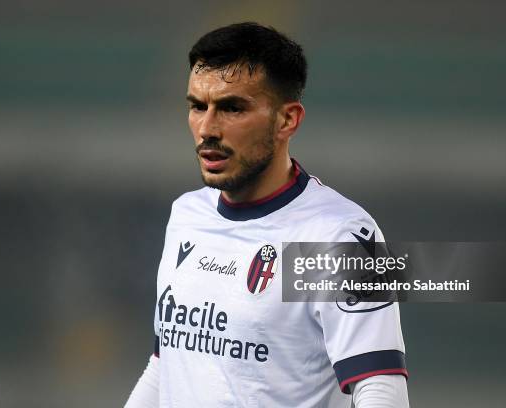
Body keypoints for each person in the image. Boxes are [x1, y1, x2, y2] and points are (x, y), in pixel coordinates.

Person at [124, 22, 409, 407]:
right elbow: (166, 366)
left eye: (232, 108)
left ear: (287, 120)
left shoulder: (338, 235)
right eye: (197, 106)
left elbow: (379, 389)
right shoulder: (186, 214)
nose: (207, 128)